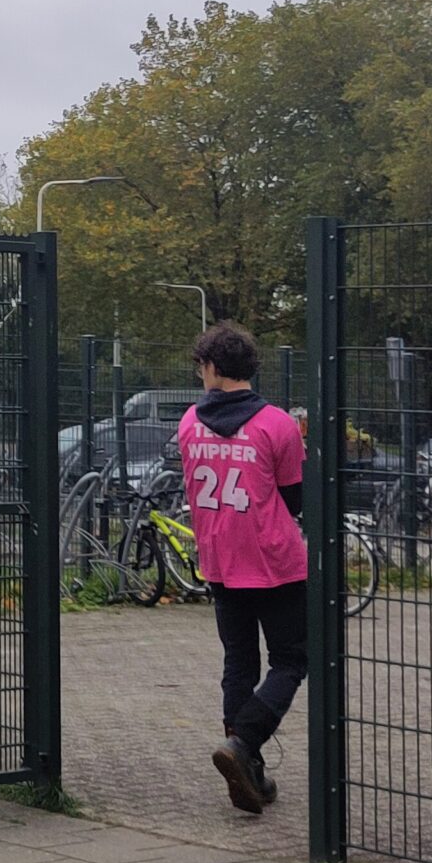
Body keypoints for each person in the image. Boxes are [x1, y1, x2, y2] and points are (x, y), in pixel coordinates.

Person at [174, 321, 308, 816]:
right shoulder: (277, 424)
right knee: (293, 659)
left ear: (212, 367)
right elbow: (294, 497)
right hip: (275, 562)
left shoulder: (189, 422)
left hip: (220, 560)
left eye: (200, 367)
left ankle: (246, 768)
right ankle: (244, 744)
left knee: (239, 663)